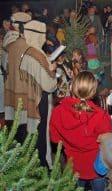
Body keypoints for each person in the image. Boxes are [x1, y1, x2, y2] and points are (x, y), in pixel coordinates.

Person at [4, 20, 57, 167]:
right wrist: (52, 71)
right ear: (38, 35)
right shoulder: (35, 54)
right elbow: (49, 85)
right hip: (37, 102)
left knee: (21, 132)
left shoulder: (11, 47)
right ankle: (42, 168)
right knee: (39, 138)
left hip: (17, 97)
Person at [50, 71, 112, 190]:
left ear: (71, 87)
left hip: (72, 165)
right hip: (97, 167)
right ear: (94, 92)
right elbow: (108, 142)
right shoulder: (101, 115)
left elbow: (55, 139)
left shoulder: (58, 111)